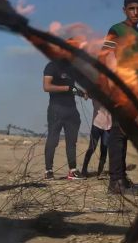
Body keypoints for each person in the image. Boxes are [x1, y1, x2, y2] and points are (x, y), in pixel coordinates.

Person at [100, 0, 138, 194]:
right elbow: (103, 55)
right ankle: (115, 182)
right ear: (124, 10)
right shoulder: (116, 29)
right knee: (118, 133)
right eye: (131, 8)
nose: (135, 12)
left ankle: (121, 178)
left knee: (125, 133)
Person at [42, 38, 87, 180]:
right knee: (53, 140)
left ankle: (72, 171)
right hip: (56, 109)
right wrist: (67, 88)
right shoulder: (51, 66)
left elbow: (73, 88)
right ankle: (48, 171)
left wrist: (81, 92)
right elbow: (46, 87)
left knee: (71, 141)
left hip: (71, 110)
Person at [81, 99, 111, 178]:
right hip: (96, 124)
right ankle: (84, 171)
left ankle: (100, 172)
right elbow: (87, 94)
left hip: (108, 126)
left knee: (104, 149)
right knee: (92, 147)